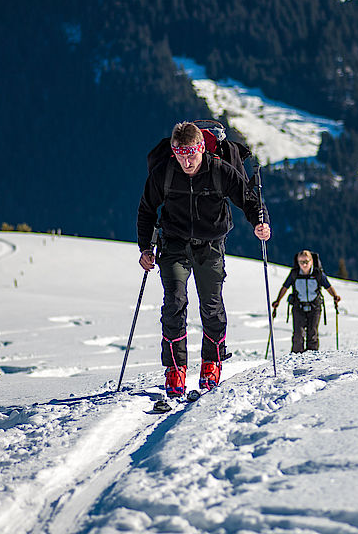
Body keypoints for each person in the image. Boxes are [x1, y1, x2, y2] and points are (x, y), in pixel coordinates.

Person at [137, 122, 271, 397]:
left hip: (210, 245)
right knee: (174, 302)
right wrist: (145, 248)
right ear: (173, 151)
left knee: (211, 305)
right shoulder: (165, 173)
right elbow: (147, 210)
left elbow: (249, 199)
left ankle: (212, 362)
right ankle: (176, 368)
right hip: (174, 244)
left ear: (201, 148)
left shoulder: (220, 171)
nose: (186, 160)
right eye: (179, 153)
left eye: (191, 153)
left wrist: (260, 222)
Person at [271, 250, 341, 353]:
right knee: (298, 335)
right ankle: (296, 358)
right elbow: (285, 287)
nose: (304, 264)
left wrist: (335, 296)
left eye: (306, 261)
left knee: (312, 334)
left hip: (315, 307)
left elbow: (328, 286)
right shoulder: (294, 274)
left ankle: (311, 359)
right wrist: (278, 300)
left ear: (312, 261)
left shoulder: (318, 274)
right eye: (301, 262)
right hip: (298, 307)